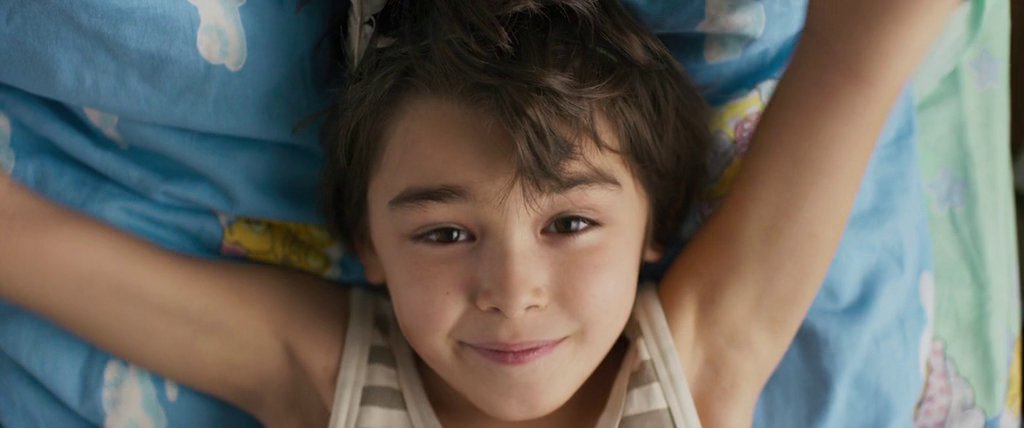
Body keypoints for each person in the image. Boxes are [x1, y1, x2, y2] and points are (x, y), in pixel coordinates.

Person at [0, 0, 956, 426]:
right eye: (445, 233)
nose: (512, 291)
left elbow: (855, 63)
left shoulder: (696, 370)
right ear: (368, 245)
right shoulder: (330, 382)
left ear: (655, 225)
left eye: (569, 224)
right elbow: (27, 244)